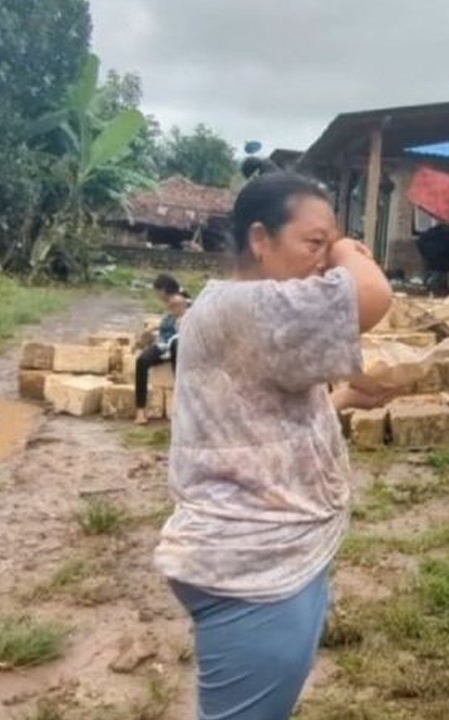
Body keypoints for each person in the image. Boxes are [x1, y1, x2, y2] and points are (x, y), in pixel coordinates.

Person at [153, 171, 393, 720]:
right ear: (260, 240)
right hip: (254, 572)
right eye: (313, 243)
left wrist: (345, 399)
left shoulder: (243, 312)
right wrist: (346, 249)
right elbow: (373, 295)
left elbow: (257, 431)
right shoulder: (249, 307)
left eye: (326, 245)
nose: (323, 259)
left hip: (275, 557)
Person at [134, 274, 191, 425]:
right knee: (142, 361)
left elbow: (179, 324)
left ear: (163, 290)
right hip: (163, 343)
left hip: (177, 343)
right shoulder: (173, 301)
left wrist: (151, 330)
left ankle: (181, 408)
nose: (157, 296)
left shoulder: (180, 301)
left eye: (157, 292)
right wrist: (150, 331)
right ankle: (140, 411)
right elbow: (167, 323)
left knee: (175, 349)